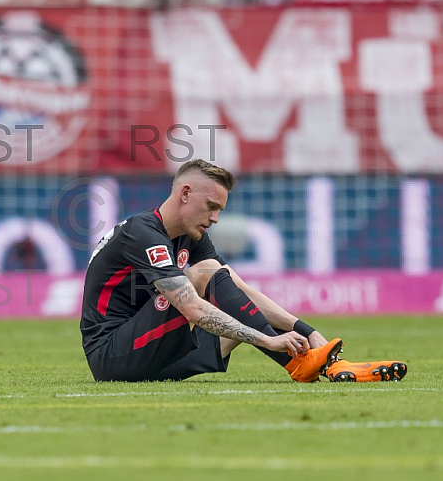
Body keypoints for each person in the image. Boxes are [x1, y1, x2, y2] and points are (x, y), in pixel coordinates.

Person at [80, 159, 407, 383]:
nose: (216, 218)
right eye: (211, 207)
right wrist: (266, 340)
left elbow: (235, 288)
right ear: (185, 194)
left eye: (220, 210)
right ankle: (299, 364)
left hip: (151, 350)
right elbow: (191, 307)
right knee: (203, 280)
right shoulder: (144, 232)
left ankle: (332, 366)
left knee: (226, 292)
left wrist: (307, 331)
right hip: (112, 356)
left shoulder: (192, 235)